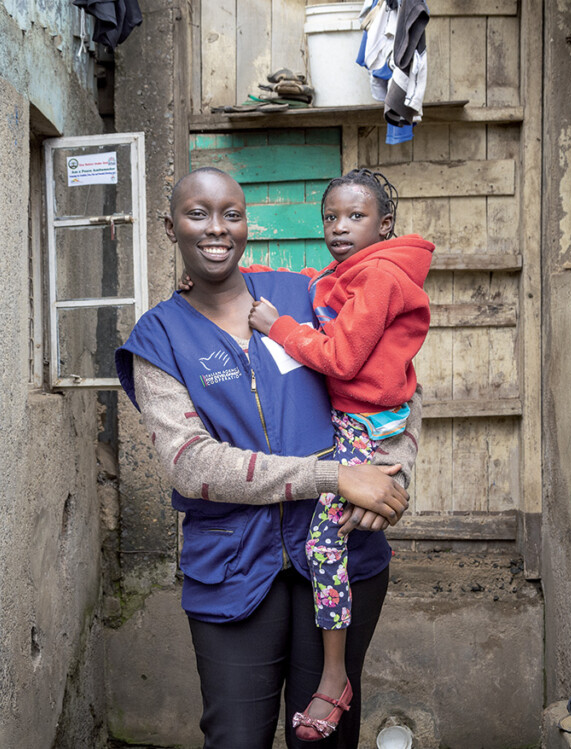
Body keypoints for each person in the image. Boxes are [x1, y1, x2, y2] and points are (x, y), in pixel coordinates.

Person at [115, 166, 421, 748]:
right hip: (231, 567)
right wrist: (335, 474)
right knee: (236, 736)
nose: (216, 229)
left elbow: (397, 380)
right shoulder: (158, 337)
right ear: (169, 227)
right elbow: (192, 464)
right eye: (197, 214)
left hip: (338, 552)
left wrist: (391, 472)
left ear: (247, 226)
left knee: (324, 738)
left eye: (231, 214)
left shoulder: (304, 294)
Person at [245, 168, 433, 741]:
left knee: (324, 544)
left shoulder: (379, 275)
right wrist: (244, 273)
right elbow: (316, 283)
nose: (339, 228)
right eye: (331, 217)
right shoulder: (354, 271)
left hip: (364, 425)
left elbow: (342, 356)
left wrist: (277, 326)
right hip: (362, 419)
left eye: (355, 217)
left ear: (385, 224)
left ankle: (333, 677)